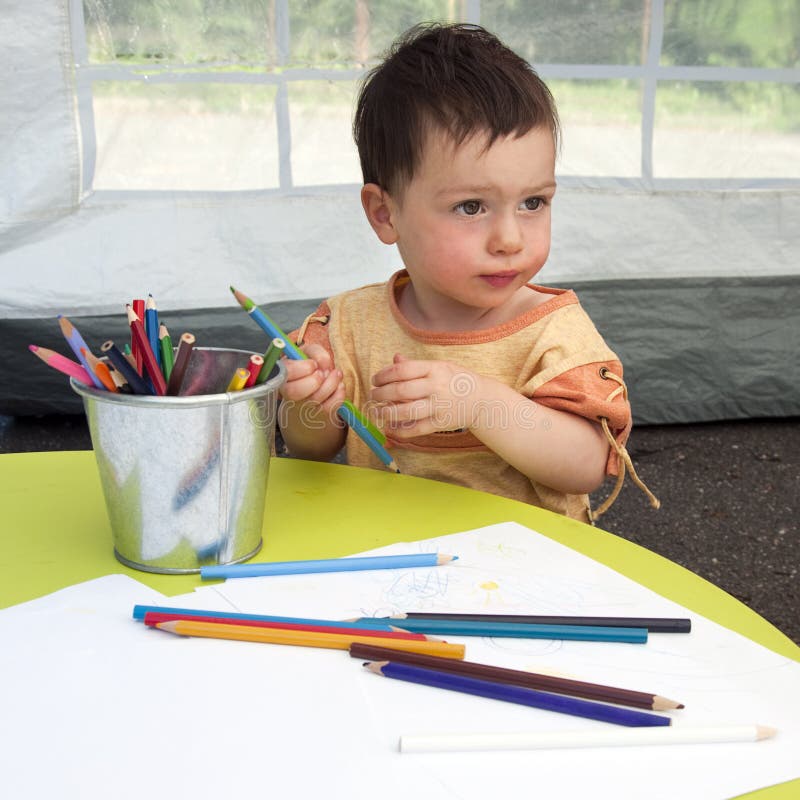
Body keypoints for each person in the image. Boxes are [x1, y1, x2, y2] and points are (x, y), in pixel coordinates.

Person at [278, 22, 658, 523]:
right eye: (471, 207)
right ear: (385, 214)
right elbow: (312, 449)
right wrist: (313, 407)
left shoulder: (553, 331)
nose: (510, 239)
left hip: (531, 573)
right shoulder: (350, 324)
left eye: (532, 202)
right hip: (390, 558)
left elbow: (586, 465)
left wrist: (478, 403)